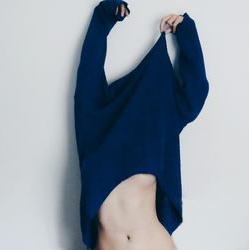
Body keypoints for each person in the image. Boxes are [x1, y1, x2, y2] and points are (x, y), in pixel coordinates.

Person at [95, 4, 184, 250]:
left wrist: (186, 32)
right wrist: (105, 15)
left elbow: (198, 90)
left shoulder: (162, 125)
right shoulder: (95, 121)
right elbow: (88, 69)